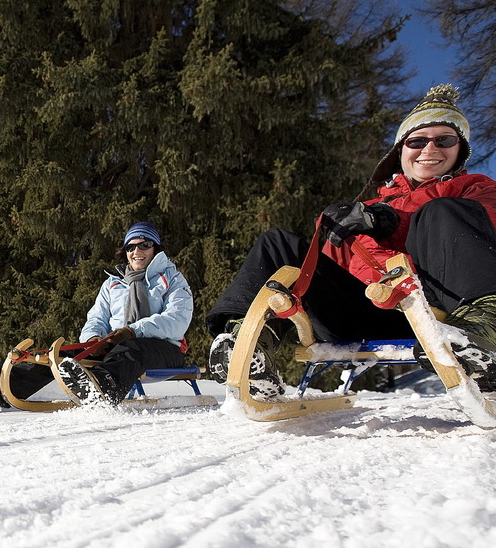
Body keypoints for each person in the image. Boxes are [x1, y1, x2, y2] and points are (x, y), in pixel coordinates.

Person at [206, 84, 496, 397]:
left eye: (444, 140)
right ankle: (247, 344)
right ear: (401, 150)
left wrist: (392, 222)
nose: (430, 149)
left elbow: (486, 226)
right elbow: (340, 260)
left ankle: (483, 336)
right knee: (278, 244)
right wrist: (340, 231)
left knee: (442, 212)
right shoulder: (368, 209)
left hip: (439, 312)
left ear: (459, 149)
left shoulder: (475, 191)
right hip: (363, 308)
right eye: (417, 141)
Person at [0, 221, 194, 410]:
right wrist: (93, 338)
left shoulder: (171, 278)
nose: (137, 251)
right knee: (67, 352)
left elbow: (177, 320)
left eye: (144, 244)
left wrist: (134, 330)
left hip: (164, 348)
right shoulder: (113, 284)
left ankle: (103, 389)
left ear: (156, 249)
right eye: (130, 247)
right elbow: (97, 318)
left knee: (133, 348)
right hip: (117, 344)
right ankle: (1, 387)